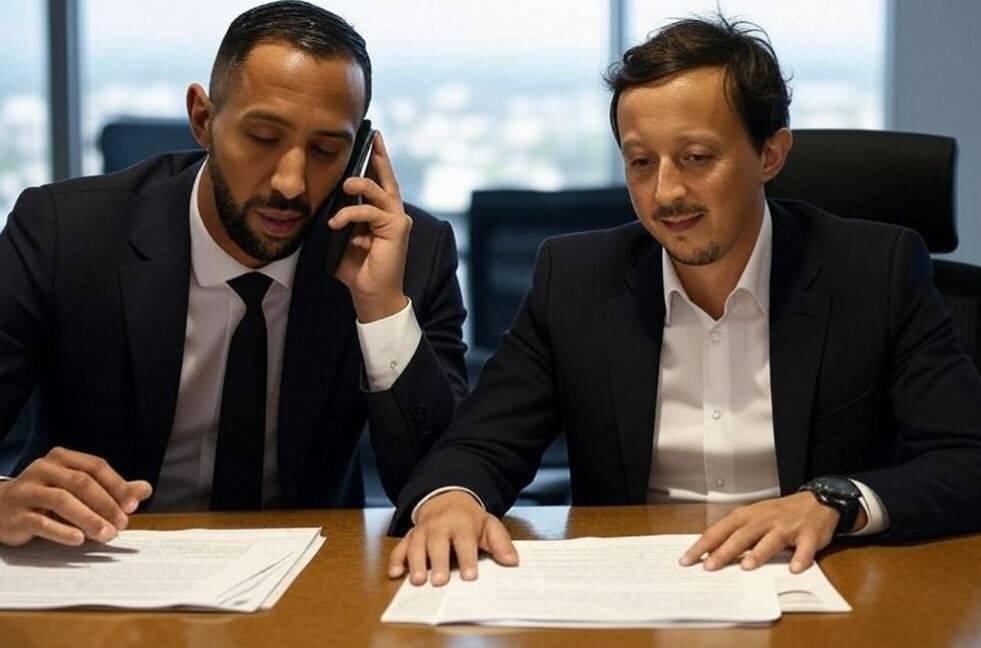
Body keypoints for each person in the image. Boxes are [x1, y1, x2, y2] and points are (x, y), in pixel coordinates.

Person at [387, 15, 981, 586]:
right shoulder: (575, 280)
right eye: (641, 163)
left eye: (697, 159)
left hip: (822, 584)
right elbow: (478, 445)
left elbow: (966, 457)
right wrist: (451, 499)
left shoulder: (874, 271)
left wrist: (836, 501)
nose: (666, 192)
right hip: (635, 595)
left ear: (770, 155)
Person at [0, 1, 468, 547]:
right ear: (203, 119)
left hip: (311, 587)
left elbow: (442, 483)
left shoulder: (404, 255)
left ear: (358, 153)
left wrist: (382, 310)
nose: (291, 182)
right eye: (264, 139)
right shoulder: (67, 234)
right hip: (99, 566)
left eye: (324, 150)